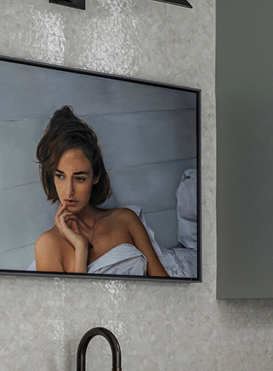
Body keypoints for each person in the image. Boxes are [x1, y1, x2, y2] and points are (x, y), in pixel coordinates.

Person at [31, 106, 170, 276]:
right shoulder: (48, 245)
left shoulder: (126, 220)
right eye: (60, 176)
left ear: (95, 176)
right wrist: (80, 248)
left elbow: (164, 283)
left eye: (79, 178)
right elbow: (74, 302)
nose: (69, 191)